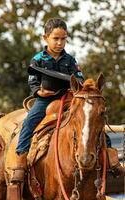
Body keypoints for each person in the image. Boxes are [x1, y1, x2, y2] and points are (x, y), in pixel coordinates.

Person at [11, 18, 124, 184]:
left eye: (63, 39)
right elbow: (33, 80)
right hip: (45, 99)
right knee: (30, 122)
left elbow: (79, 77)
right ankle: (20, 159)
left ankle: (109, 153)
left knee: (90, 120)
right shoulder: (38, 59)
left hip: (70, 97)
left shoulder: (70, 60)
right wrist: (39, 92)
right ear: (45, 38)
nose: (59, 43)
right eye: (55, 38)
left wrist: (78, 87)